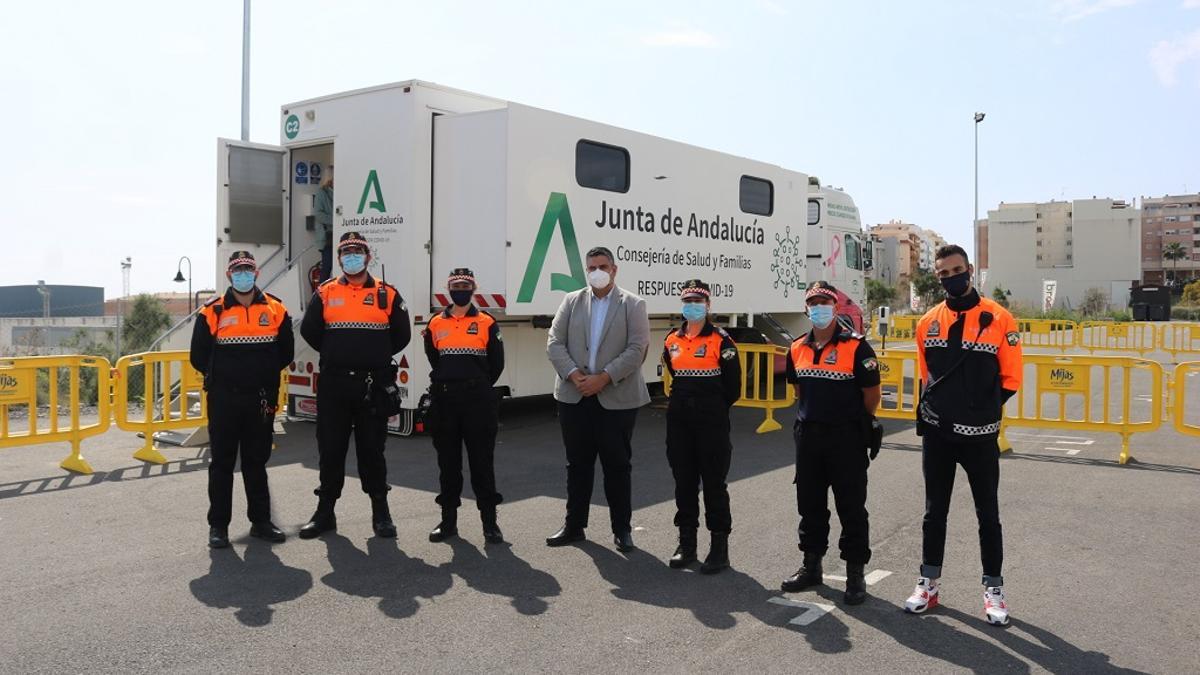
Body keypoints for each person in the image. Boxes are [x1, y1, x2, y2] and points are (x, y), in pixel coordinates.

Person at [903, 244, 1022, 626]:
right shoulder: (927, 323)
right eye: (943, 274)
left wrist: (980, 410)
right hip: (938, 435)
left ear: (970, 270)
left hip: (980, 437)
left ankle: (994, 590)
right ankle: (928, 583)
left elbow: (1012, 377)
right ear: (938, 277)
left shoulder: (1001, 319)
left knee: (988, 514)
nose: (951, 278)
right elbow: (928, 377)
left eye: (956, 270)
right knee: (933, 512)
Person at [298, 231, 411, 540]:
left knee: (372, 451)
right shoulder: (325, 292)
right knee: (330, 450)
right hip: (334, 385)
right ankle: (325, 513)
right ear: (338, 259)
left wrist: (372, 354)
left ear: (368, 257)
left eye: (357, 251)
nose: (351, 256)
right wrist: (339, 352)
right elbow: (310, 331)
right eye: (345, 252)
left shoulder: (387, 294)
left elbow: (402, 336)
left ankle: (381, 512)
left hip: (372, 387)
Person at [780, 281, 882, 605]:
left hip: (846, 438)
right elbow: (800, 392)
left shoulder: (858, 347)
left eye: (825, 302)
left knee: (851, 507)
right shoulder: (797, 348)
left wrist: (847, 422)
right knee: (809, 504)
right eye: (813, 303)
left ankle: (855, 575)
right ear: (806, 308)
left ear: (836, 307)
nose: (819, 308)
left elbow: (872, 397)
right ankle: (812, 566)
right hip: (809, 437)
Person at [545, 246, 650, 552]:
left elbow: (637, 349)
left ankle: (622, 529)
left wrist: (603, 378)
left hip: (616, 398)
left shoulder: (632, 304)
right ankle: (574, 526)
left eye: (602, 266)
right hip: (574, 396)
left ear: (614, 270)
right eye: (591, 267)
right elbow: (554, 342)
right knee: (577, 465)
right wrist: (575, 376)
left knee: (617, 466)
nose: (597, 272)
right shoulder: (571, 301)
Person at [190, 251, 294, 549]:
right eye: (238, 270)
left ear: (257, 274)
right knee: (221, 464)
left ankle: (261, 522)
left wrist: (259, 374)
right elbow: (198, 356)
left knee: (256, 462)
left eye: (249, 269)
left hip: (260, 400)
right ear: (229, 276)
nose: (244, 274)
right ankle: (218, 527)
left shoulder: (275, 309)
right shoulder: (213, 311)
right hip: (224, 400)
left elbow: (285, 352)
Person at [661, 279, 741, 574]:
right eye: (687, 301)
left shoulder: (722, 341)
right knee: (683, 483)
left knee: (714, 484)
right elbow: (673, 372)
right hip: (680, 421)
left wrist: (711, 409)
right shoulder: (672, 339)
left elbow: (733, 388)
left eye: (697, 301)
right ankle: (687, 544)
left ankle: (719, 548)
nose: (691, 306)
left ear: (708, 306)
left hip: (711, 422)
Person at [423, 268, 505, 544]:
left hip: (478, 401)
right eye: (455, 285)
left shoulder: (487, 322)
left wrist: (475, 383)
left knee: (482, 462)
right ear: (448, 289)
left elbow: (497, 363)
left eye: (465, 284)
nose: (460, 289)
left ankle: (490, 523)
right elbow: (434, 357)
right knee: (448, 464)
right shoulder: (436, 323)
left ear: (473, 288)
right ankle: (448, 523)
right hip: (445, 401)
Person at [313, 167, 334, 282]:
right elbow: (318, 214)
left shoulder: (341, 191)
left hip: (338, 236)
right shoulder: (321, 192)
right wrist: (337, 220)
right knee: (327, 267)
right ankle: (321, 296)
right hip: (327, 238)